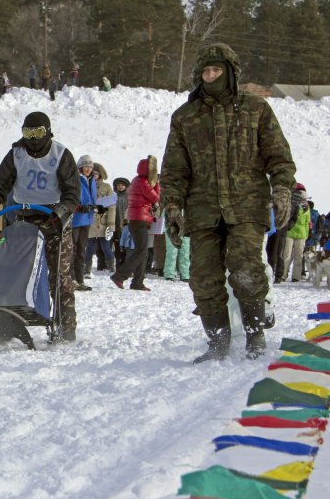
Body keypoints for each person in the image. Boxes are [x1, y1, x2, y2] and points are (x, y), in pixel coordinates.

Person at [161, 43, 296, 362]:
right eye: (206, 71)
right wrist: (171, 205)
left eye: (217, 70)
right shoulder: (185, 117)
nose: (211, 76)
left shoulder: (256, 109)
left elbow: (279, 156)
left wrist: (282, 188)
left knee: (246, 268)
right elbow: (174, 168)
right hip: (203, 209)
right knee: (203, 276)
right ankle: (218, 340)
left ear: (230, 73)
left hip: (246, 207)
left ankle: (254, 333)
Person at [0, 111, 81, 342]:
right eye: (28, 132)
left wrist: (61, 212)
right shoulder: (16, 154)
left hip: (55, 220)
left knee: (59, 274)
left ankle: (66, 326)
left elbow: (72, 193)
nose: (33, 138)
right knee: (12, 270)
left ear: (48, 132)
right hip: (24, 219)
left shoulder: (61, 154)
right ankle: (5, 320)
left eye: (38, 132)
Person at [110, 156, 159, 292]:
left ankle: (137, 282)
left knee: (143, 252)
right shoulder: (143, 182)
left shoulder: (136, 181)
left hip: (136, 219)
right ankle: (120, 276)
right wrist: (157, 185)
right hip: (139, 220)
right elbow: (156, 197)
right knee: (141, 251)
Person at [85, 162, 116, 276]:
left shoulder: (107, 187)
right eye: (93, 173)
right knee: (89, 247)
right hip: (90, 221)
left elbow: (112, 207)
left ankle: (112, 268)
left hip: (103, 222)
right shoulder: (86, 185)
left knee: (106, 247)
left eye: (97, 173)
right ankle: (86, 269)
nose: (95, 175)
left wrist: (111, 225)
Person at [72, 155, 97, 291]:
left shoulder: (92, 179)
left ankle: (80, 280)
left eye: (90, 166)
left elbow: (91, 197)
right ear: (80, 167)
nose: (88, 169)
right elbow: (71, 196)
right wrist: (80, 207)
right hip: (76, 218)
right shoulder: (75, 178)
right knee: (73, 250)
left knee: (82, 250)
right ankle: (71, 279)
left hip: (87, 218)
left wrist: (96, 206)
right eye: (86, 166)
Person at [281, 184, 310, 282]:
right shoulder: (292, 204)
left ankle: (296, 276)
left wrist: (306, 234)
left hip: (301, 235)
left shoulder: (307, 208)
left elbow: (307, 222)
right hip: (290, 232)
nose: (303, 198)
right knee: (287, 255)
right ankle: (283, 275)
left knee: (299, 256)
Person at [112, 177, 130, 266]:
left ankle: (127, 264)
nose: (120, 187)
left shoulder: (130, 197)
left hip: (128, 225)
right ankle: (119, 264)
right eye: (118, 185)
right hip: (116, 225)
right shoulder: (113, 197)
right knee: (118, 245)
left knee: (127, 245)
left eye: (122, 185)